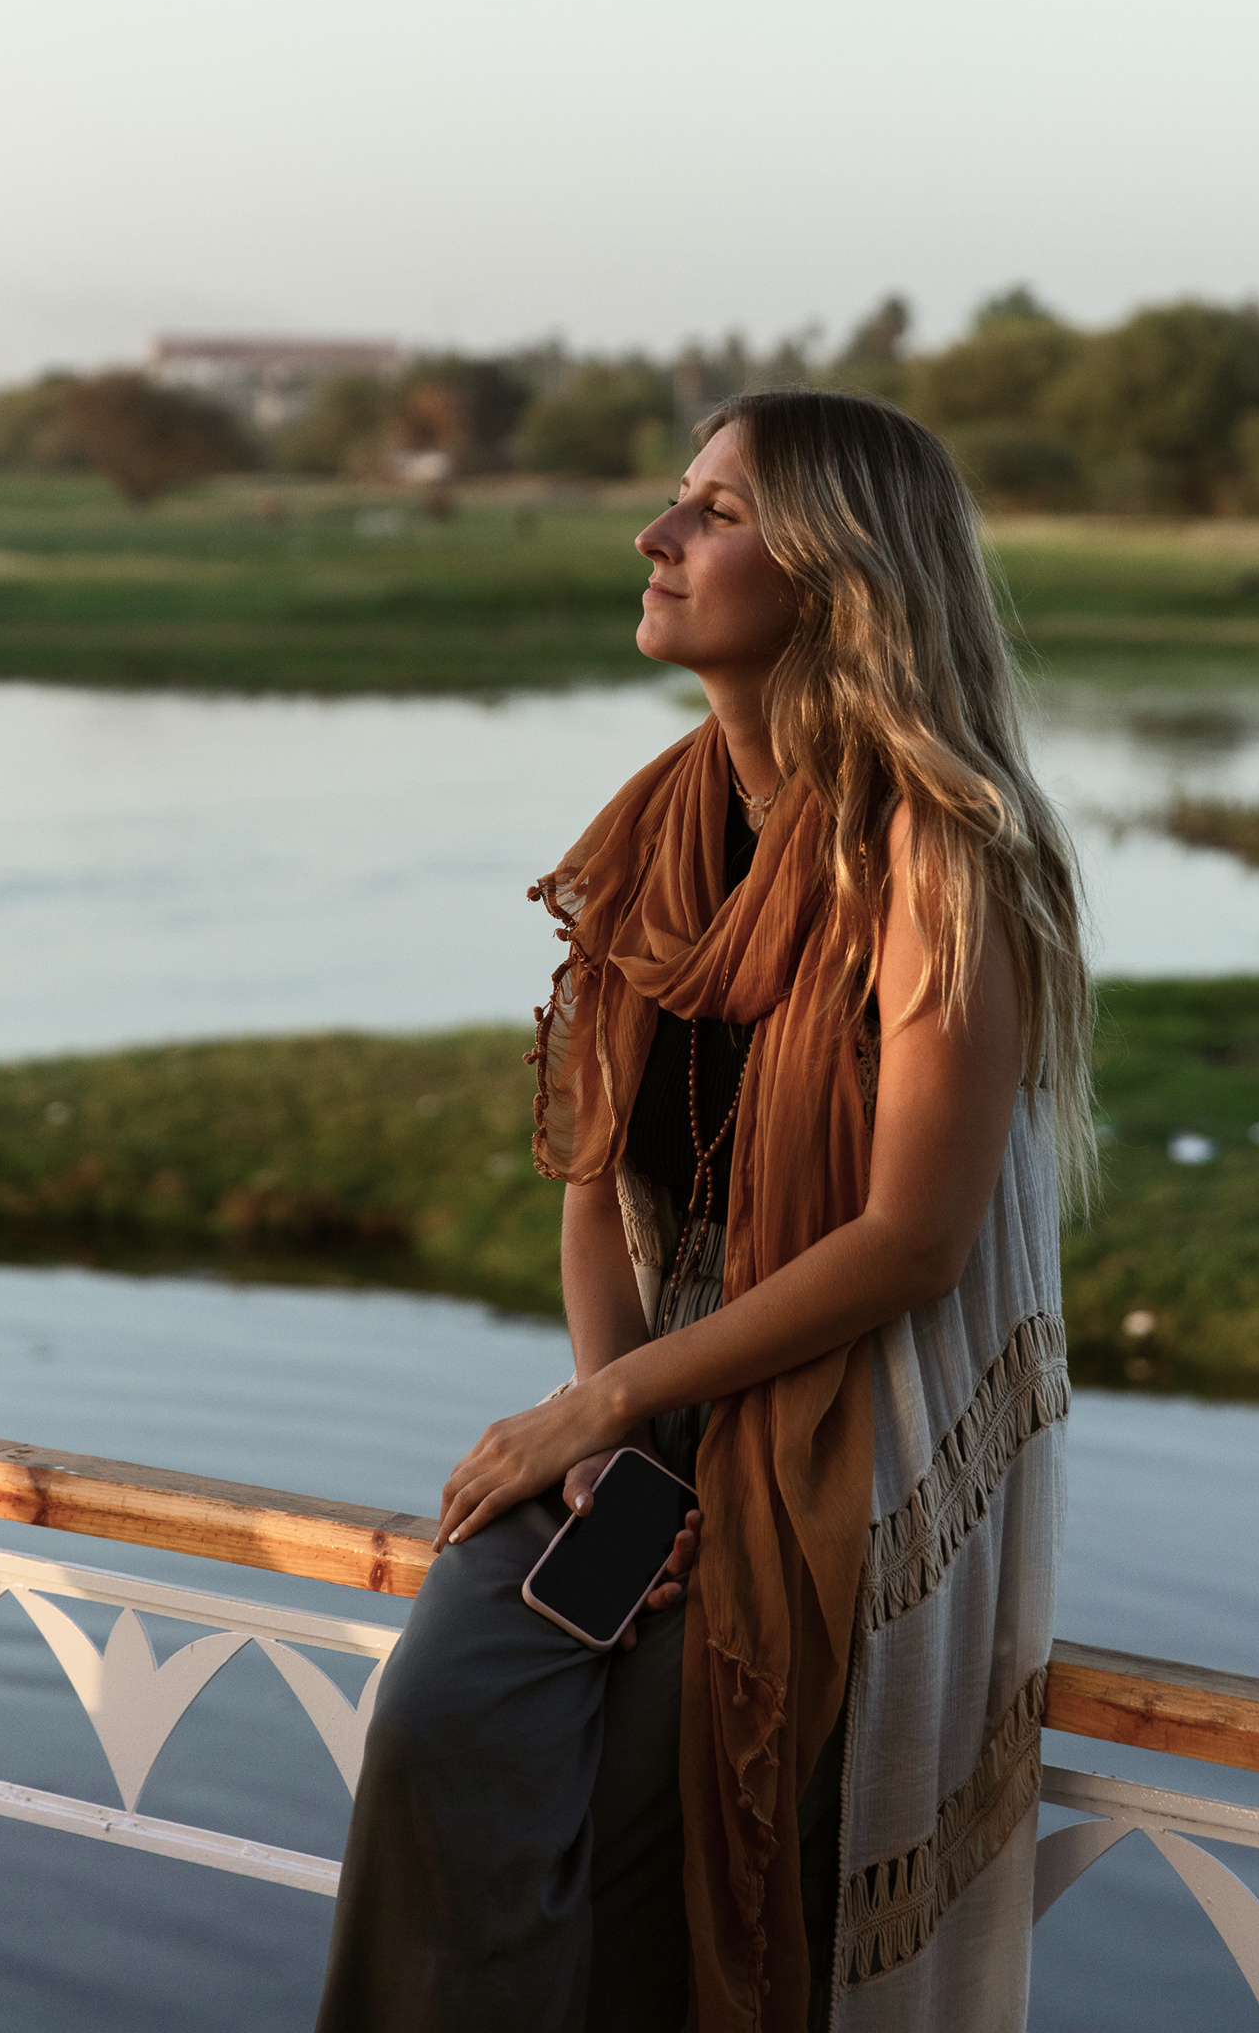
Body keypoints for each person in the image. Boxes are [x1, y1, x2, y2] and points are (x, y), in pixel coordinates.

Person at [313, 390, 1095, 2033]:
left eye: (716, 512)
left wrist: (601, 1407)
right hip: (655, 1407)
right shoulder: (659, 829)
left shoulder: (941, 857)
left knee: (655, 1832)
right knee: (443, 1718)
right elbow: (602, 1190)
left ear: (839, 575)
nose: (658, 539)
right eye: (678, 501)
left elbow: (913, 1243)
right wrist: (604, 1446)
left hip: (847, 1429)